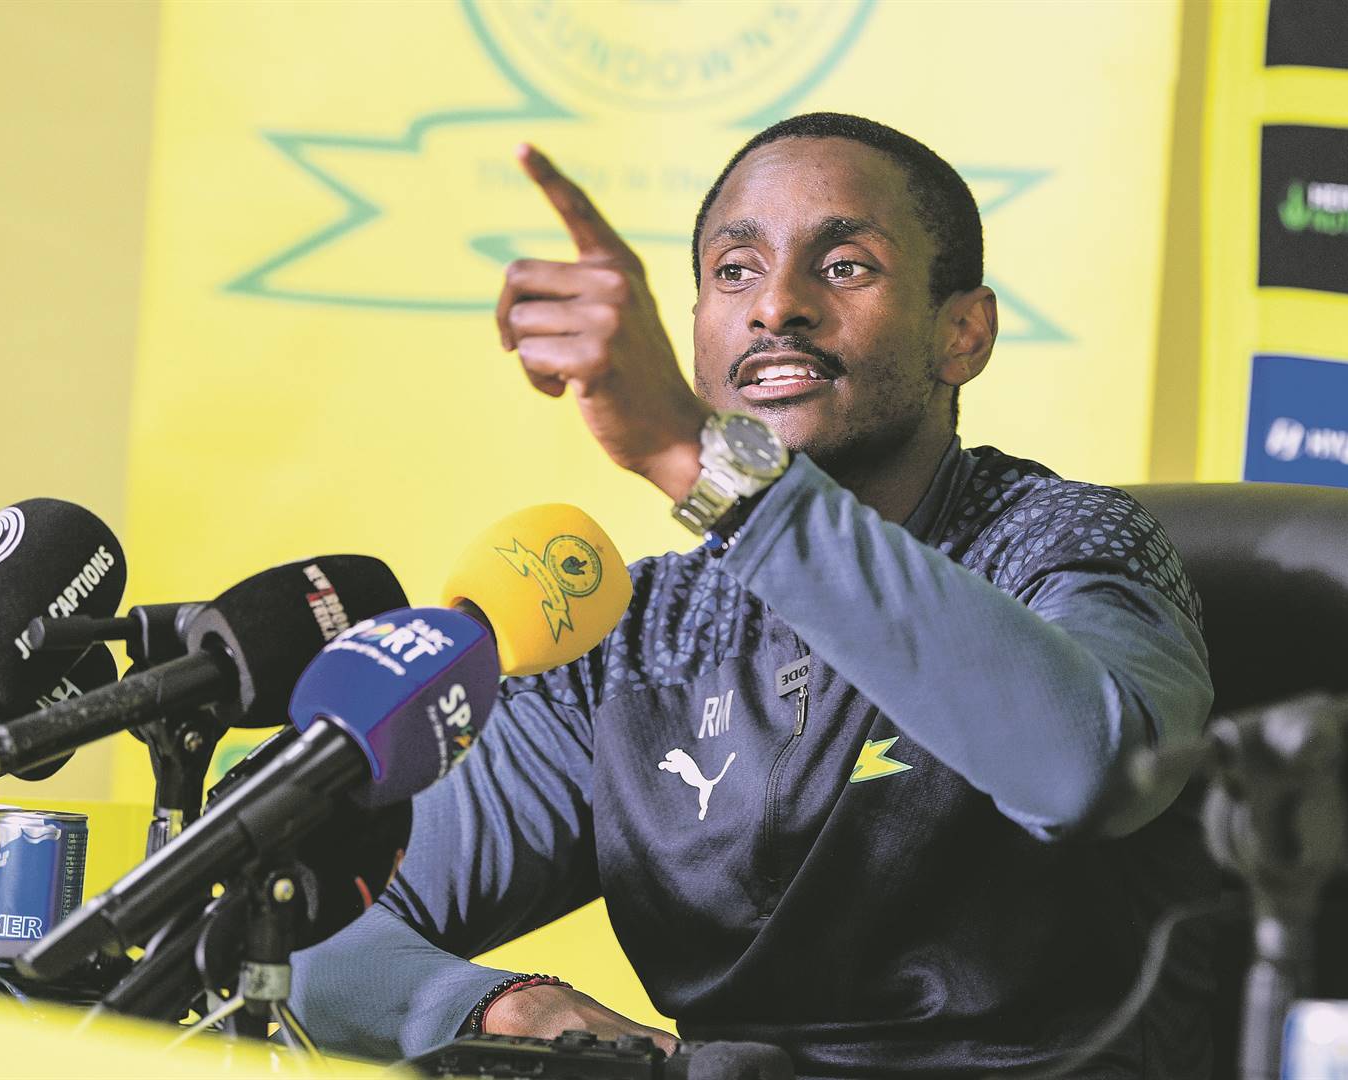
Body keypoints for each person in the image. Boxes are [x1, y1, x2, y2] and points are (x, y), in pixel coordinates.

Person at [291, 112, 1216, 1078]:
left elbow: (1088, 773)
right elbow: (307, 936)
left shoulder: (1061, 539)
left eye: (845, 266)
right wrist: (499, 1009)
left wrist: (700, 459)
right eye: (735, 272)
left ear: (963, 332)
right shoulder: (634, 640)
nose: (777, 305)